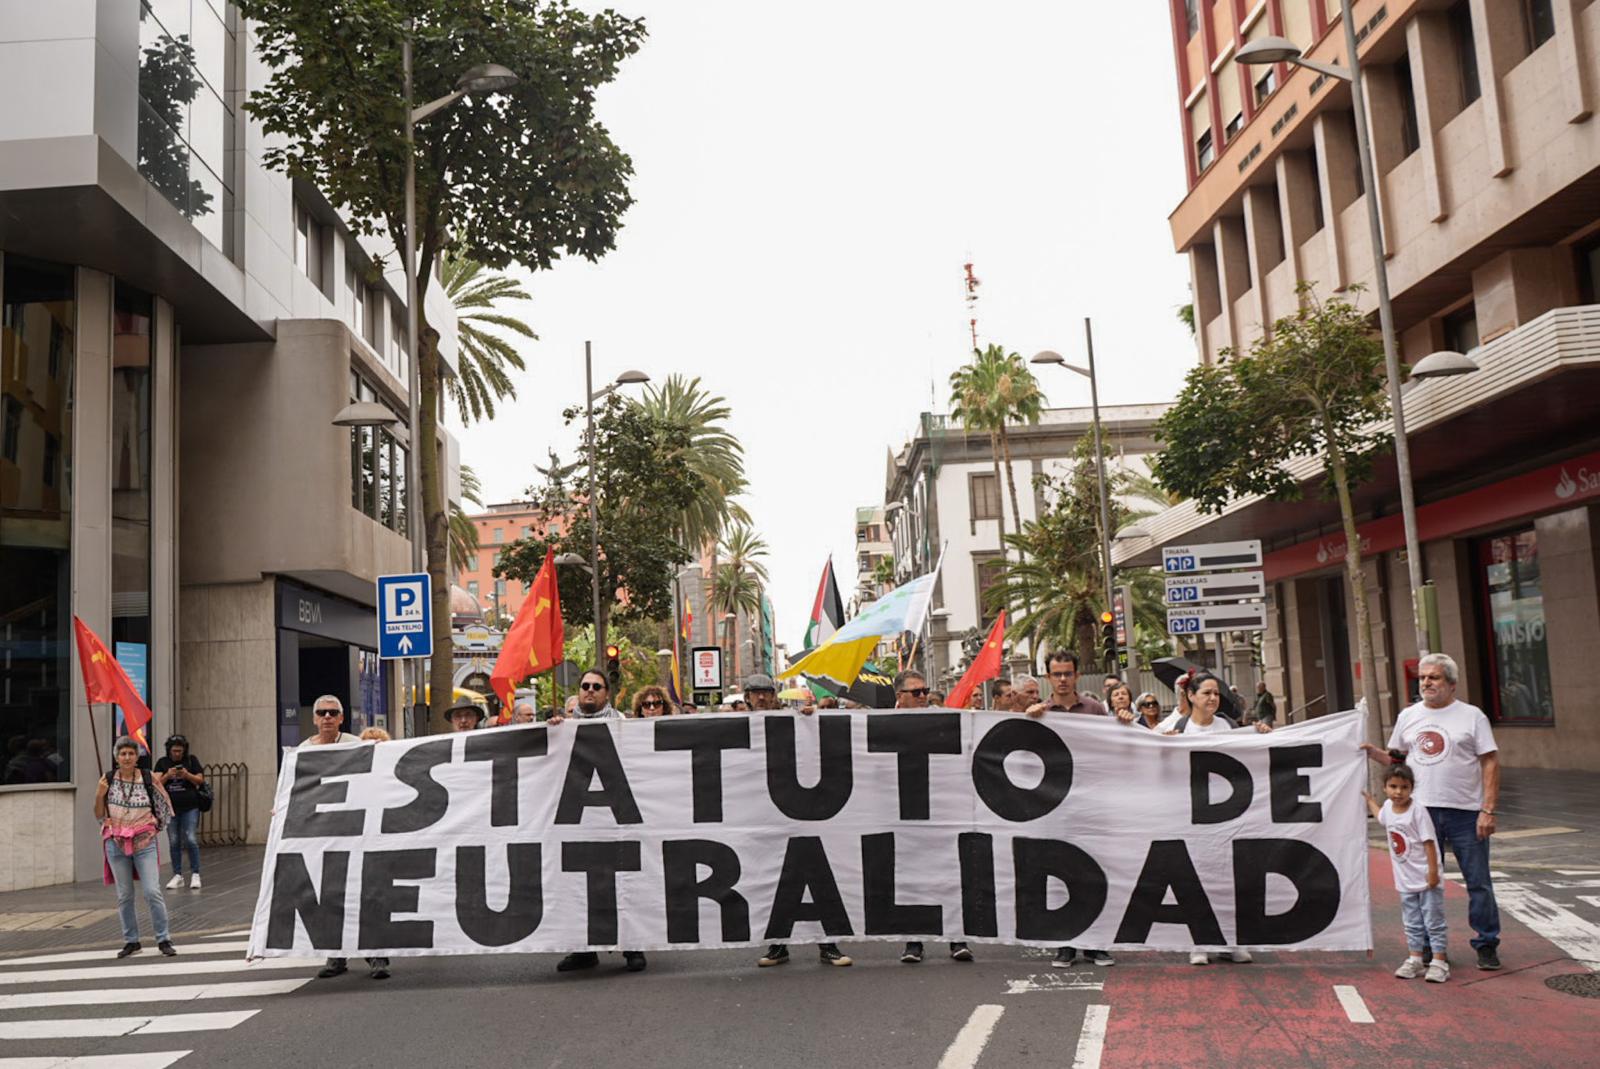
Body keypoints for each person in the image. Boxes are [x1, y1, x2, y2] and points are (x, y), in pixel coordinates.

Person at [1362, 651, 1502, 971]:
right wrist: (1371, 752)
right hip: (1419, 814)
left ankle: (1486, 943)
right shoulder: (1408, 716)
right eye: (1422, 677)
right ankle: (1428, 946)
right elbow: (1398, 762)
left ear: (1451, 684)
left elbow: (1490, 761)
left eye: (1434, 677)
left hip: (1466, 812)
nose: (1426, 682)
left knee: (1478, 881)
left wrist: (1488, 809)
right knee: (1424, 881)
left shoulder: (1472, 716)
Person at [1159, 671, 1271, 966]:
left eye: (1216, 693)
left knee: (1229, 878)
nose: (1212, 698)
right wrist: (1163, 747)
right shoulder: (1175, 727)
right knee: (1196, 879)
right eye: (1206, 693)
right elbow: (1149, 758)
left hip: (1228, 816)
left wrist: (1261, 734)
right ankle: (1200, 941)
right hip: (1191, 816)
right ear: (1191, 697)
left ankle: (1232, 941)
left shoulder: (1230, 726)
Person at [749, 673, 853, 969]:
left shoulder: (794, 719)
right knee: (773, 883)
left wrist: (812, 719)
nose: (760, 698)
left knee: (816, 878)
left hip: (801, 814)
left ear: (774, 696)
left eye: (765, 693)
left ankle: (828, 944)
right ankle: (778, 946)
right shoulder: (738, 725)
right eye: (754, 693)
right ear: (747, 697)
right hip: (763, 818)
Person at [546, 669, 646, 972]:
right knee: (575, 885)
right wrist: (552, 732)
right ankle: (583, 950)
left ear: (607, 693)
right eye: (585, 686)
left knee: (624, 883)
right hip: (577, 819)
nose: (590, 690)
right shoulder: (563, 727)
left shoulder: (623, 726)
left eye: (596, 687)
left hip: (616, 818)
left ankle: (633, 947)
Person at [1024, 651, 1114, 968]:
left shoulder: (1095, 710)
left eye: (1068, 673)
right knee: (1059, 876)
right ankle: (1065, 944)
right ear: (1048, 677)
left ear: (1076, 675)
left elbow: (1111, 749)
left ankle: (1096, 945)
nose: (1062, 679)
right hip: (1055, 807)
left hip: (1090, 805)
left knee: (1093, 874)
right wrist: (1027, 720)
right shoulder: (1038, 713)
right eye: (1057, 673)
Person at [892, 671, 974, 966]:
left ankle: (957, 940)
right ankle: (913, 943)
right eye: (916, 692)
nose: (923, 696)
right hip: (903, 813)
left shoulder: (943, 719)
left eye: (925, 690)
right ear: (899, 697)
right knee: (909, 879)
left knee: (950, 874)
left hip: (941, 809)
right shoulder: (881, 724)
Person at [299, 697, 385, 980]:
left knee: (362, 893)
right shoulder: (303, 750)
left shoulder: (353, 744)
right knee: (330, 895)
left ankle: (376, 956)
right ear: (313, 718)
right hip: (321, 835)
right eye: (321, 713)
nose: (326, 717)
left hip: (353, 831)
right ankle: (336, 956)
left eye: (332, 713)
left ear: (341, 718)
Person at [1364, 765, 1448, 983]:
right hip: (1404, 878)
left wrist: (1433, 872)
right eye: (1393, 787)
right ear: (1385, 788)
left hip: (1425, 876)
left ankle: (1439, 961)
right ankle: (1415, 959)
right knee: (1412, 921)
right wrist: (1368, 799)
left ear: (1412, 788)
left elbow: (1429, 843)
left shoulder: (1418, 811)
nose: (1398, 792)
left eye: (1404, 787)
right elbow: (1380, 815)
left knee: (1433, 919)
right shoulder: (1389, 808)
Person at [95, 736, 177, 959]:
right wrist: (100, 794)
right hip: (116, 844)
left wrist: (152, 829)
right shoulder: (108, 779)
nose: (127, 757)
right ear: (116, 757)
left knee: (152, 892)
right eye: (123, 754)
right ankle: (131, 941)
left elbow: (164, 807)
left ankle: (163, 938)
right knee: (124, 895)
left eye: (131, 753)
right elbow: (98, 814)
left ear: (137, 756)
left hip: (144, 843)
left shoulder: (149, 778)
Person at [154, 734, 205, 890]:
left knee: (190, 838)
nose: (177, 754)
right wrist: (168, 775)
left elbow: (200, 780)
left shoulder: (191, 760)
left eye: (180, 751)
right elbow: (155, 783)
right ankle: (177, 874)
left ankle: (195, 873)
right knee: (174, 841)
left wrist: (187, 775)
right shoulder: (162, 763)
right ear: (169, 750)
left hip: (190, 806)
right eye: (174, 751)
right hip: (171, 809)